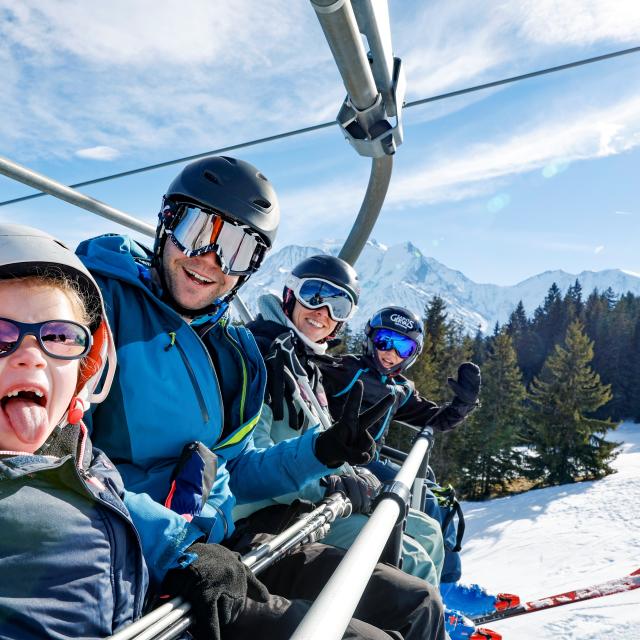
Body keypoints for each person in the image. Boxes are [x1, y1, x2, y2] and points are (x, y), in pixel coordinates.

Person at [77, 156, 446, 640]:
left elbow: (239, 469)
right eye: (196, 229)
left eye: (237, 247)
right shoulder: (99, 308)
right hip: (140, 559)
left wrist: (321, 452)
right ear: (166, 222)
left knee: (416, 605)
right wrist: (177, 547)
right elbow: (61, 460)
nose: (211, 258)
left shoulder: (236, 351)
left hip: (226, 545)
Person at [241, 255, 447, 590]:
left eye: (339, 304)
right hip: (282, 508)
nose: (323, 312)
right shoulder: (267, 356)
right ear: (291, 294)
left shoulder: (304, 362)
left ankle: (433, 609)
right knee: (413, 560)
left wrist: (352, 476)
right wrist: (332, 485)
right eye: (314, 294)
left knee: (428, 530)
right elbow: (252, 460)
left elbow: (428, 415)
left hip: (319, 490)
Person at [317, 306, 518, 627]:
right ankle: (424, 599)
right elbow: (311, 365)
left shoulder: (400, 388)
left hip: (371, 462)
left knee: (438, 501)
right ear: (370, 339)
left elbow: (435, 419)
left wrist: (464, 404)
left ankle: (446, 586)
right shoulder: (345, 370)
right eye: (385, 341)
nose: (390, 353)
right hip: (338, 462)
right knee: (402, 504)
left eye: (403, 348)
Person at [0, 223, 148, 638]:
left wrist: (181, 553)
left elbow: (118, 510)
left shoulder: (81, 459)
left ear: (86, 369)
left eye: (60, 336)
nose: (31, 357)